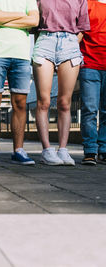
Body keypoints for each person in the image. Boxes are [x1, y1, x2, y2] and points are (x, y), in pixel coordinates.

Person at [0, 0, 39, 166]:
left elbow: (34, 21)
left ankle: (18, 150)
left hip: (21, 54)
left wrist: (2, 18)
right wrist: (21, 16)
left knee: (20, 103)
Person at [33, 0, 90, 166]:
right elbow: (34, 23)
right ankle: (47, 150)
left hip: (70, 44)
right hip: (45, 42)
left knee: (65, 102)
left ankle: (63, 150)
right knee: (43, 101)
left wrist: (69, 44)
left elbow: (82, 28)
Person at [79, 0, 106, 165]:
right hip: (89, 65)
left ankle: (104, 149)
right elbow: (80, 32)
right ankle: (90, 150)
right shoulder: (86, 4)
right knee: (89, 109)